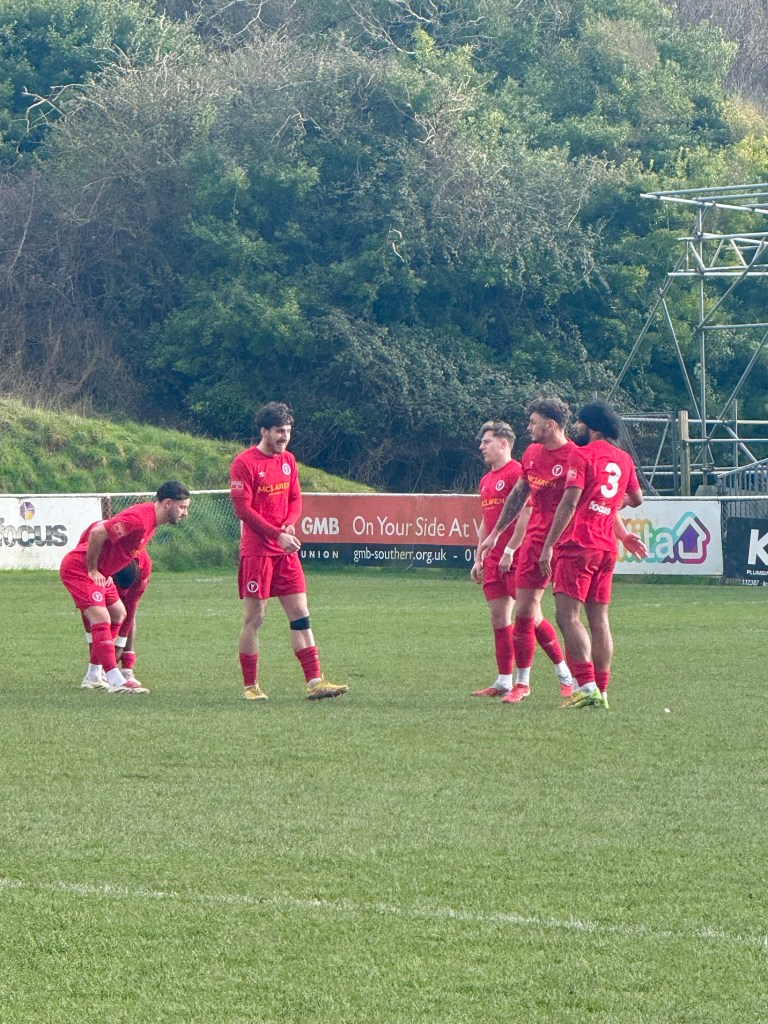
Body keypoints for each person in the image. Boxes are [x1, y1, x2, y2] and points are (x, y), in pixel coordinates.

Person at [229, 401, 347, 702]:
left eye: (288, 431)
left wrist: (289, 525)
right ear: (264, 431)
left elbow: (295, 499)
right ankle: (251, 686)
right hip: (258, 552)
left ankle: (315, 681)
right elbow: (243, 510)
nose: (285, 437)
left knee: (300, 614)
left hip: (285, 550)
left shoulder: (289, 461)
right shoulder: (244, 463)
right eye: (279, 431)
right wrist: (276, 534)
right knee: (255, 618)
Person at [537, 401, 646, 709]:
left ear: (592, 426)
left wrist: (548, 545)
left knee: (567, 616)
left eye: (580, 423)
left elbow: (569, 503)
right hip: (606, 547)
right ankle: (602, 690)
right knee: (599, 619)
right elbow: (637, 498)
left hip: (579, 544)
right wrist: (610, 506)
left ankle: (585, 687)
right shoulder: (624, 459)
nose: (576, 428)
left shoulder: (582, 454)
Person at [478, 397, 576, 704]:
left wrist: (511, 548)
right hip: (527, 546)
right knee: (516, 614)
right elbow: (517, 498)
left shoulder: (574, 457)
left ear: (551, 424)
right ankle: (514, 682)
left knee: (557, 616)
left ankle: (572, 677)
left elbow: (559, 505)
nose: (529, 427)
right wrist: (490, 540)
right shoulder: (530, 455)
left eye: (533, 422)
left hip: (556, 544)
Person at [60, 482, 191, 694]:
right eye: (182, 507)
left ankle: (93, 676)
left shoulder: (150, 521)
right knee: (101, 617)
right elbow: (97, 532)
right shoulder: (139, 519)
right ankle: (115, 679)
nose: (185, 513)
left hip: (102, 574)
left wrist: (105, 571)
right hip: (79, 569)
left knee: (118, 613)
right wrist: (93, 569)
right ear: (168, 503)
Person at [80, 550, 152, 690]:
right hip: (94, 572)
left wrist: (117, 649)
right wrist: (98, 656)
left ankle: (126, 670)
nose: (122, 594)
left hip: (124, 576)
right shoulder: (98, 562)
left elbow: (129, 613)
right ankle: (96, 673)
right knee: (99, 615)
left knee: (124, 613)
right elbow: (88, 616)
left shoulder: (143, 569)